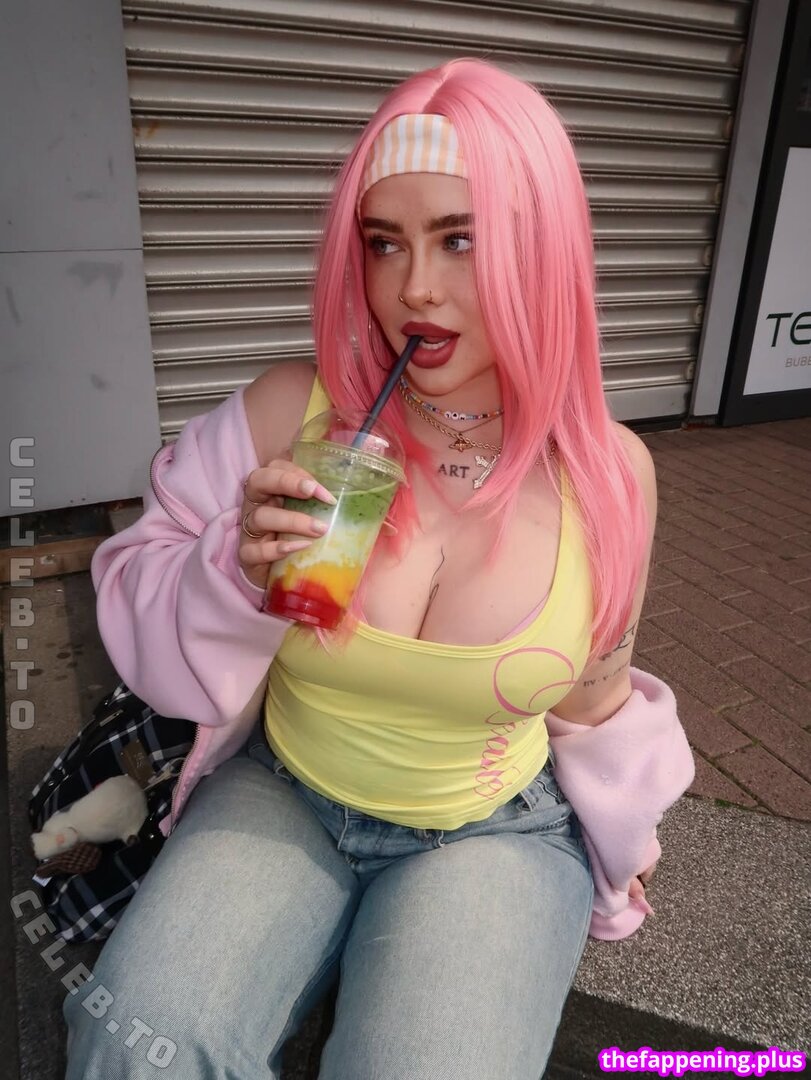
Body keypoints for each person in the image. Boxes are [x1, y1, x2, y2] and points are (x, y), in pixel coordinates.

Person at [63, 58, 693, 1079]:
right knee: (136, 1041)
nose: (414, 289)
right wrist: (231, 571)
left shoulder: (608, 473)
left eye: (459, 239)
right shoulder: (292, 413)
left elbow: (594, 695)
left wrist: (626, 840)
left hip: (495, 828)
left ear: (541, 249)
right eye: (383, 242)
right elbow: (139, 590)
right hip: (284, 788)